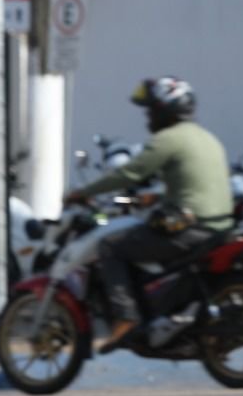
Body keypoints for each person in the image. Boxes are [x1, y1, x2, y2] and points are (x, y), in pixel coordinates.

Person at [64, 77, 232, 354]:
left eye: (151, 111)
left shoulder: (167, 139)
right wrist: (159, 197)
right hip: (219, 225)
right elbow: (193, 185)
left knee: (111, 246)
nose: (148, 118)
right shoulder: (206, 137)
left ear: (166, 110)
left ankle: (126, 316)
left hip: (191, 227)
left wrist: (83, 192)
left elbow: (130, 173)